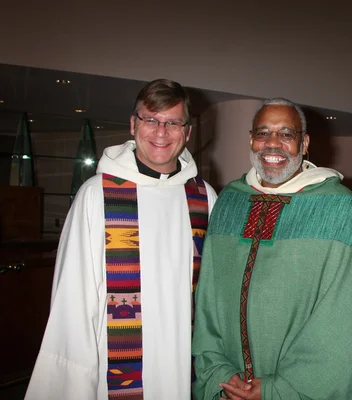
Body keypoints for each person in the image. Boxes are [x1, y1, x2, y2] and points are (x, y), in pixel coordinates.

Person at [26, 79, 217, 399]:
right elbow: (72, 300)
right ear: (133, 124)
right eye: (150, 120)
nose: (161, 132)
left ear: (187, 132)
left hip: (181, 359)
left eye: (173, 122)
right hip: (113, 363)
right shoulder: (97, 195)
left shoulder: (203, 198)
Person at [192, 98, 352, 399]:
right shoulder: (229, 203)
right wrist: (221, 376)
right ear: (251, 139)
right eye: (263, 133)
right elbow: (207, 301)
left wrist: (277, 389)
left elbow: (344, 322)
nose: (272, 144)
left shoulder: (338, 208)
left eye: (286, 134)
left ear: (305, 142)